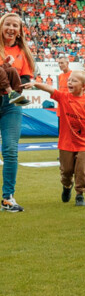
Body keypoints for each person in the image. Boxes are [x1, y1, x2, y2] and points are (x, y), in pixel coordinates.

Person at [32, 70, 85, 207]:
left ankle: (80, 194)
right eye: (69, 80)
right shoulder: (63, 97)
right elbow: (50, 88)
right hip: (66, 142)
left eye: (74, 80)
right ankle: (67, 186)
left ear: (83, 86)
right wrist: (35, 83)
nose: (70, 82)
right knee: (67, 170)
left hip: (84, 141)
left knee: (81, 169)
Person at [0, 12, 36, 212]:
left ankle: (7, 198)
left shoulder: (24, 52)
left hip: (11, 104)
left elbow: (24, 79)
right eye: (8, 24)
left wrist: (21, 85)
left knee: (11, 150)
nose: (11, 28)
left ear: (20, 30)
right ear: (1, 25)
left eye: (15, 25)